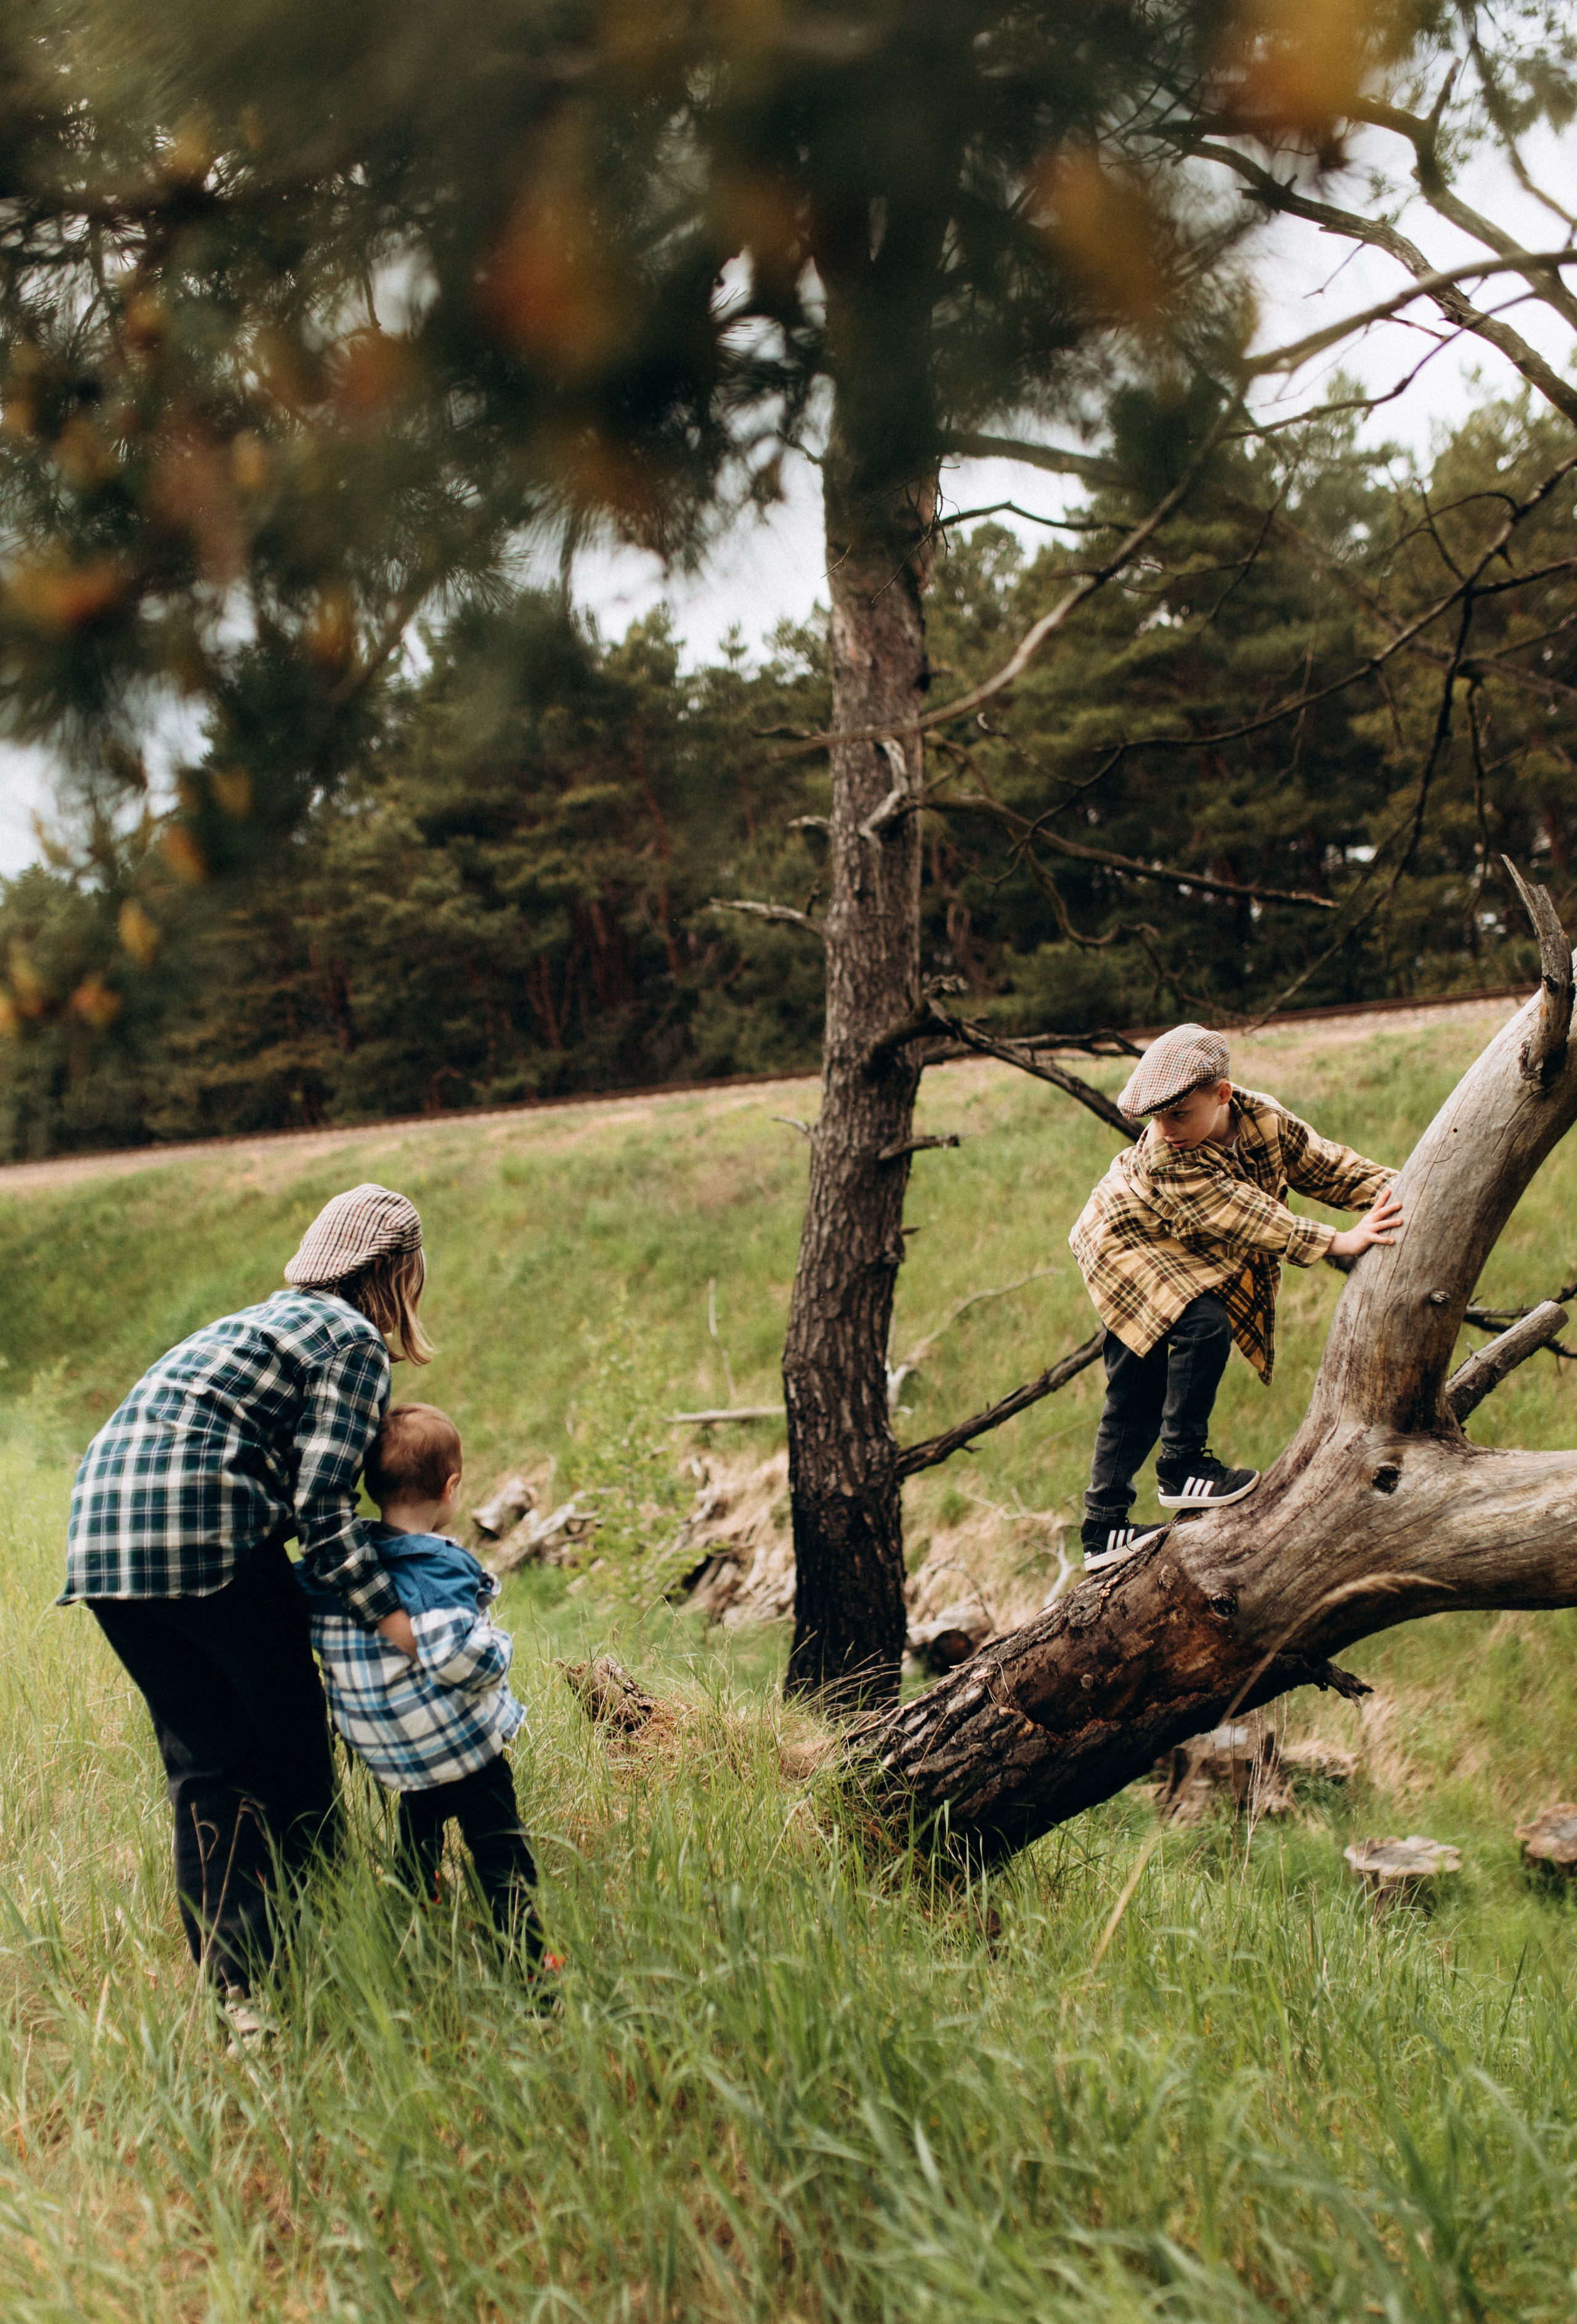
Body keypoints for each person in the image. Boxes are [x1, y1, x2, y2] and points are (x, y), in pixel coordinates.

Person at [60, 1184, 430, 2027]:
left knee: (209, 1761)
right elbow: (327, 1519)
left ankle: (240, 1996)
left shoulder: (253, 1324)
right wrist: (401, 1627)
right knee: (294, 1743)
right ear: (396, 1270)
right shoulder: (351, 1341)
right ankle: (325, 1949)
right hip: (203, 1523)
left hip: (100, 1534)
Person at [1069, 1023, 1403, 1572]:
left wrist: (1403, 1188)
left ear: (1223, 1094)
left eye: (1179, 1114)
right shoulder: (1167, 1156)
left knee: (1146, 1379)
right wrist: (1337, 1241)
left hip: (1169, 1247)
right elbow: (1244, 1216)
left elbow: (1326, 1166)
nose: (1166, 1129)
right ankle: (1173, 1472)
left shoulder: (1264, 1120)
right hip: (1121, 1242)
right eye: (1156, 1117)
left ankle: (1106, 1524)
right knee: (1195, 1331)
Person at [297, 1401, 545, 1967]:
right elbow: (458, 1655)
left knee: (421, 1820)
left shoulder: (336, 1565)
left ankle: (415, 1901)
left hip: (395, 1754)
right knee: (499, 1848)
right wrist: (499, 1651)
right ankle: (529, 1964)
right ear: (451, 1487)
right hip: (462, 1749)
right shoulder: (437, 1568)